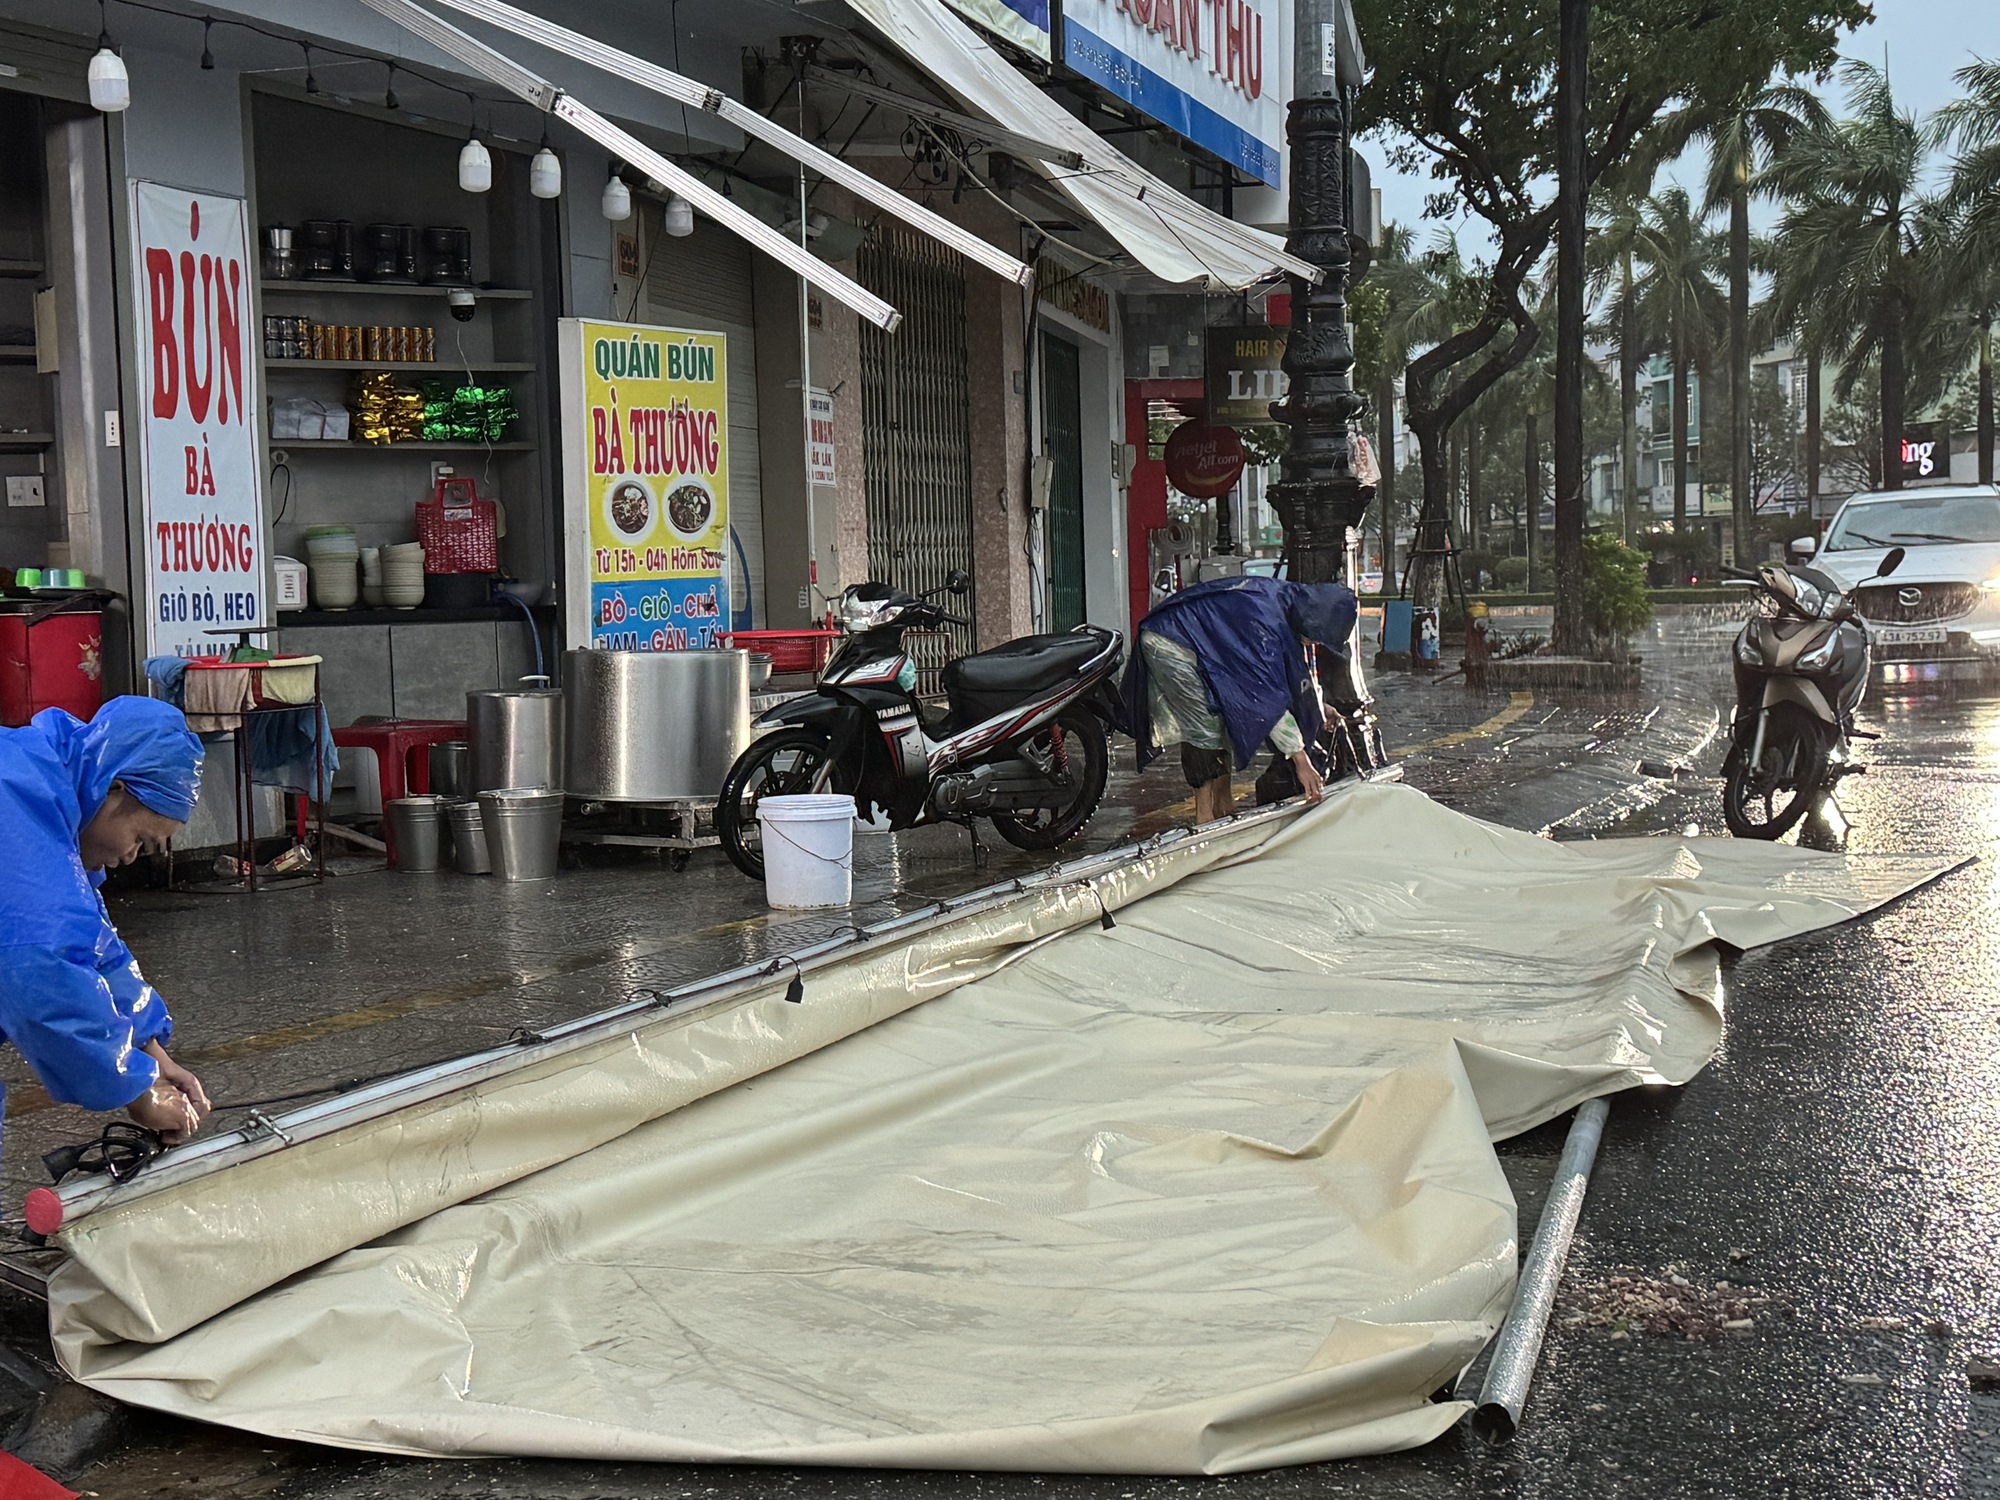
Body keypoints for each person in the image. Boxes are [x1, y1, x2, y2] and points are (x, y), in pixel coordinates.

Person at [0, 697, 213, 1148]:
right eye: (140, 837)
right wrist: (138, 1089)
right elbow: (42, 965)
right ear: (112, 786)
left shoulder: (47, 790)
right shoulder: (14, 795)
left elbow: (90, 942)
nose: (131, 857)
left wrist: (149, 1050)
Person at [1121, 574, 1359, 825]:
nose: (1315, 642)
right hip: (1172, 642)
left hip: (1200, 641)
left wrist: (1319, 708)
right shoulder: (1265, 623)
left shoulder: (1288, 605)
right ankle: (1205, 816)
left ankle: (1224, 804)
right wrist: (1301, 760)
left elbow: (1285, 682)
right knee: (1206, 726)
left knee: (1227, 716)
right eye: (1318, 637)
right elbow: (1265, 698)